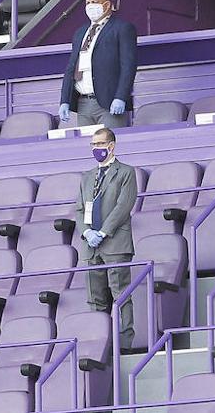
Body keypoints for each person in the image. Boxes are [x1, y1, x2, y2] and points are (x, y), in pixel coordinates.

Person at [74, 127, 138, 350]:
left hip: (115, 244)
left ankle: (126, 344)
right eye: (93, 145)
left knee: (121, 294)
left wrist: (103, 232)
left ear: (111, 145)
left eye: (100, 144)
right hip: (91, 248)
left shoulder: (126, 172)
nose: (96, 149)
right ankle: (101, 344)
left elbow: (124, 206)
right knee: (95, 298)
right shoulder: (87, 177)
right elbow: (79, 209)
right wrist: (87, 232)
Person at [59, 0, 138, 130]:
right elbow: (71, 67)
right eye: (87, 3)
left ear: (106, 5)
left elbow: (129, 66)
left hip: (109, 102)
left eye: (94, 2)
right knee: (90, 148)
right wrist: (65, 100)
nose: (90, 6)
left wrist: (120, 97)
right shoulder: (80, 32)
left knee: (110, 145)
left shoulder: (122, 28)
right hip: (83, 103)